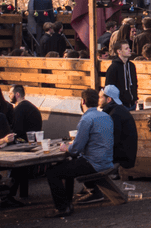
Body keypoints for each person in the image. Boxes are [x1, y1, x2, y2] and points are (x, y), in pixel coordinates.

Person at [46, 89, 114, 218]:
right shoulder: (106, 116)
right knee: (68, 166)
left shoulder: (86, 119)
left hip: (93, 163)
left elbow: (76, 149)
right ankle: (67, 203)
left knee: (52, 172)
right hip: (107, 160)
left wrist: (66, 147)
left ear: (82, 101)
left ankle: (62, 208)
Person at [104, 40, 138, 109]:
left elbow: (134, 83)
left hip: (132, 103)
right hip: (120, 104)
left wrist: (135, 98)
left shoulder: (131, 66)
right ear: (119, 51)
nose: (129, 50)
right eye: (126, 48)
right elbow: (109, 87)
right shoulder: (113, 67)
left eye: (129, 48)